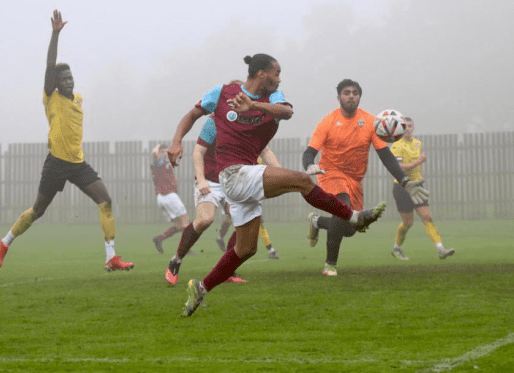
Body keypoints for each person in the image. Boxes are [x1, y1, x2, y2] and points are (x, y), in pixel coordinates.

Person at [168, 54, 392, 317]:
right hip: (233, 174)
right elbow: (192, 114)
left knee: (245, 249)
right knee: (300, 180)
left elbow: (286, 112)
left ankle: (201, 288)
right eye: (276, 72)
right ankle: (353, 217)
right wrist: (176, 141)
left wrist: (254, 106)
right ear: (262, 73)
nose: (279, 77)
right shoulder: (222, 93)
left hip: (245, 177)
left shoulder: (273, 97)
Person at [0, 10, 134, 272]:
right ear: (55, 84)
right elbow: (49, 66)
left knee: (106, 201)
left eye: (71, 78)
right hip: (56, 163)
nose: (69, 81)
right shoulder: (51, 97)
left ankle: (111, 257)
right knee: (37, 211)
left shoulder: (77, 99)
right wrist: (55, 34)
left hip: (78, 164)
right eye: (64, 79)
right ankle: (4, 242)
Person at [304, 79, 428, 276]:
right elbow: (309, 152)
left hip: (354, 180)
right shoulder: (327, 122)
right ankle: (330, 265)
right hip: (331, 174)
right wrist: (309, 165)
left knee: (349, 228)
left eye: (355, 92)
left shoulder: (371, 122)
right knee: (342, 207)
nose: (351, 95)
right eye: (346, 92)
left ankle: (317, 222)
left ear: (359, 97)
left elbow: (386, 156)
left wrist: (404, 181)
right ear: (339, 98)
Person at [164, 111, 279, 286]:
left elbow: (266, 151)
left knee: (242, 221)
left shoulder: (251, 124)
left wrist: (283, 173)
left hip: (235, 179)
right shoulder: (213, 123)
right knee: (204, 220)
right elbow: (198, 152)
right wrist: (201, 180)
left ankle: (228, 271)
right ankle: (176, 260)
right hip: (211, 180)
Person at [389, 117, 455, 260]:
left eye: (410, 126)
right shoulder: (396, 145)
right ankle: (397, 248)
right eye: (405, 126)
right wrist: (419, 161)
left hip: (417, 185)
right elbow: (400, 168)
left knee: (427, 217)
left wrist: (419, 175)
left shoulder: (418, 143)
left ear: (414, 127)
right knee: (408, 223)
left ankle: (441, 249)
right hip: (402, 187)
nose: (408, 129)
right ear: (400, 129)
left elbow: (415, 167)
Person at [151, 144, 190, 253]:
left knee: (179, 225)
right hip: (167, 195)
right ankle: (185, 249)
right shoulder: (158, 163)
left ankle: (159, 238)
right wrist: (158, 147)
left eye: (165, 151)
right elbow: (154, 153)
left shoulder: (166, 162)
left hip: (166, 196)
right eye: (162, 152)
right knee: (185, 222)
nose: (164, 153)